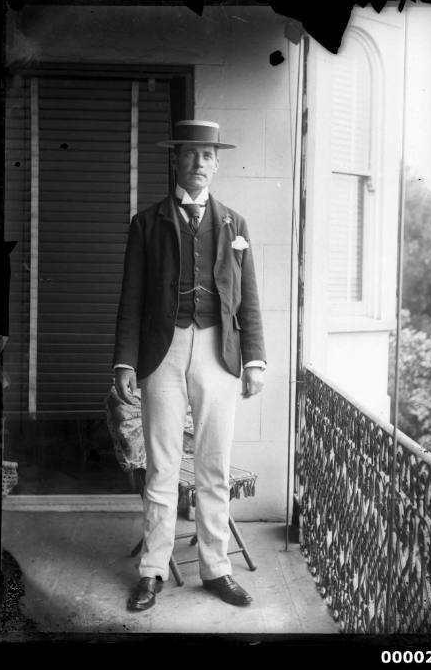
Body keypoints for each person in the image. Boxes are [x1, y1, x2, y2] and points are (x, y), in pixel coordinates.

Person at [113, 120, 266, 612]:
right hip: (162, 350)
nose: (199, 164)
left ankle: (216, 568)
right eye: (190, 155)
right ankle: (152, 570)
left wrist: (256, 360)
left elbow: (250, 301)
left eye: (207, 155)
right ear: (175, 161)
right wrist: (124, 361)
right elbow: (131, 298)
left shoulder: (235, 224)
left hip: (220, 353)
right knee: (161, 465)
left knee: (213, 466)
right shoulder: (147, 222)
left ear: (216, 164)